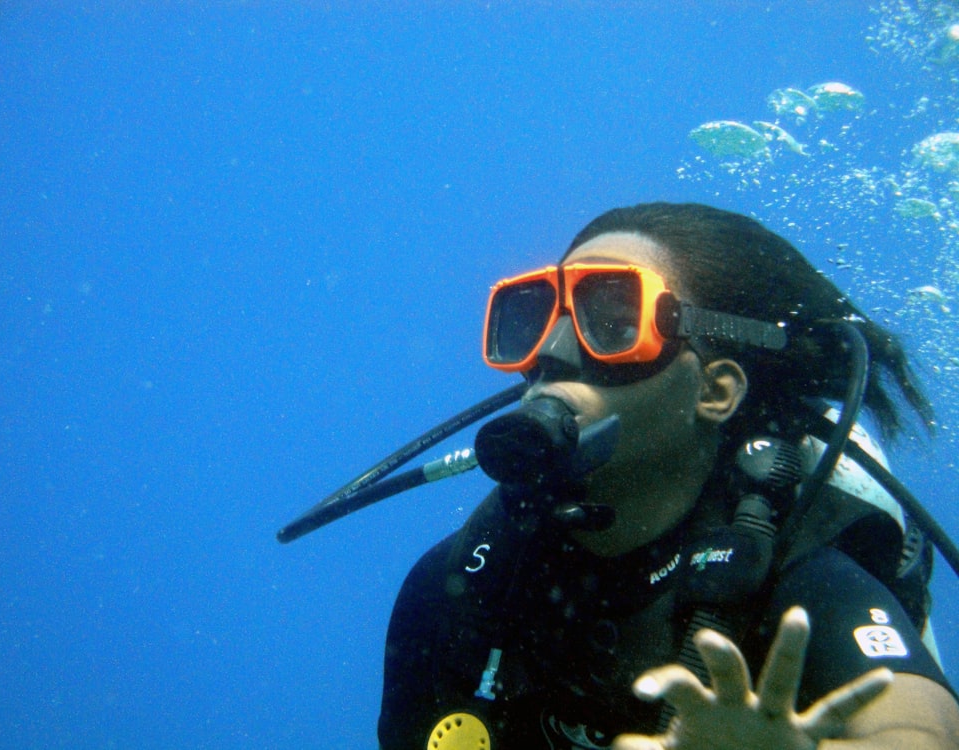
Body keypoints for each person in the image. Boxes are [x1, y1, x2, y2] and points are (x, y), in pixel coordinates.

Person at [377, 203, 959, 750]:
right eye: (531, 318)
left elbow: (918, 728)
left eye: (612, 321)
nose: (552, 353)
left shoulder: (796, 574)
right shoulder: (463, 582)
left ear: (716, 390)